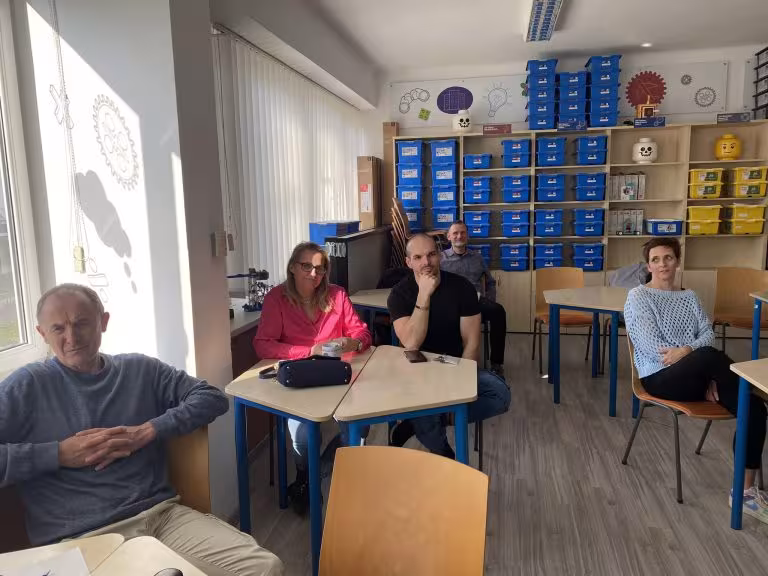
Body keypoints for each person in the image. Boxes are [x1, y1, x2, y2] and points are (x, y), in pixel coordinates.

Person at [0, 284, 283, 575]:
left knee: (265, 567)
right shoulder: (25, 386)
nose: (71, 337)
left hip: (161, 518)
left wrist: (148, 431)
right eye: (58, 328)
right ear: (42, 333)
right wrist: (58, 454)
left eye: (81, 323)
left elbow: (211, 398)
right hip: (81, 539)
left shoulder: (138, 369)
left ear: (103, 321)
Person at [624, 237, 768, 523]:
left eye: (668, 258)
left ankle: (744, 492)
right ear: (648, 266)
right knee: (710, 358)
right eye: (655, 259)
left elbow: (708, 334)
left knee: (754, 408)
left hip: (698, 375)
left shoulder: (690, 297)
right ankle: (749, 386)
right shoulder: (638, 297)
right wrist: (693, 355)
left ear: (677, 261)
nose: (663, 264)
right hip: (659, 377)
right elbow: (653, 348)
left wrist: (689, 353)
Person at [253, 241, 371, 513]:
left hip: (337, 374)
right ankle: (306, 475)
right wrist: (308, 351)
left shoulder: (337, 295)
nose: (314, 274)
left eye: (320, 268)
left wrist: (353, 343)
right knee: (303, 435)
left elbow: (362, 332)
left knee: (358, 428)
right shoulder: (276, 298)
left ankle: (314, 475)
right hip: (299, 376)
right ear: (293, 268)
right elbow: (263, 345)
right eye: (306, 266)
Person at [387, 233, 511, 458]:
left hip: (453, 365)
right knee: (425, 397)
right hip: (417, 371)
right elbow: (412, 342)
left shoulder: (462, 287)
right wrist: (424, 295)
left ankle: (419, 422)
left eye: (431, 254)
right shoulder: (399, 294)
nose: (426, 262)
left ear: (440, 256)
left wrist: (461, 381)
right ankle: (444, 453)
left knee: (500, 394)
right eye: (418, 257)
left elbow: (471, 342)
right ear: (408, 262)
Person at [440, 221, 507, 377]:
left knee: (498, 311)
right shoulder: (440, 259)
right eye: (455, 233)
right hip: (451, 304)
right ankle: (449, 360)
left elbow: (490, 282)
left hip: (475, 302)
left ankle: (496, 364)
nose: (459, 236)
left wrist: (489, 299)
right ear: (448, 236)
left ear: (467, 235)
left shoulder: (477, 258)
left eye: (463, 232)